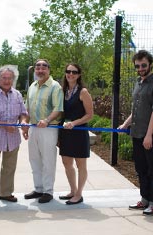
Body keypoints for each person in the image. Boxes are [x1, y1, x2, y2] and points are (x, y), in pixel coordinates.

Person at [117, 50, 153, 215]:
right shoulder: (138, 82)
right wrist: (125, 124)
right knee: (141, 169)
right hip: (136, 134)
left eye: (143, 65)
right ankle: (144, 199)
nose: (140, 68)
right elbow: (135, 110)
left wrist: (149, 134)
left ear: (150, 64)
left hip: (150, 136)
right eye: (137, 66)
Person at [0, 65, 29, 207]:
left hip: (13, 139)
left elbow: (23, 113)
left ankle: (6, 193)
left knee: (9, 167)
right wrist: (4, 125)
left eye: (10, 78)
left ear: (13, 79)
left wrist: (24, 122)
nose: (7, 81)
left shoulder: (18, 94)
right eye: (4, 78)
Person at [22, 59, 64, 204]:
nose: (40, 70)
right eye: (38, 68)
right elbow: (26, 109)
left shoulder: (55, 86)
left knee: (48, 160)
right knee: (34, 160)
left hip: (48, 128)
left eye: (43, 67)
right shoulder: (32, 86)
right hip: (33, 128)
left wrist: (46, 120)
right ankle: (38, 188)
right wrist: (25, 124)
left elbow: (58, 109)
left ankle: (48, 191)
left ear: (49, 70)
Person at [58, 63, 93, 205]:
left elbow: (90, 115)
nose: (70, 74)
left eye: (74, 72)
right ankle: (72, 190)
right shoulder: (63, 91)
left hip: (78, 133)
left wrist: (74, 123)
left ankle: (79, 194)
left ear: (79, 75)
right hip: (65, 133)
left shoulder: (83, 92)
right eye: (68, 71)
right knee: (67, 163)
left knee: (81, 165)